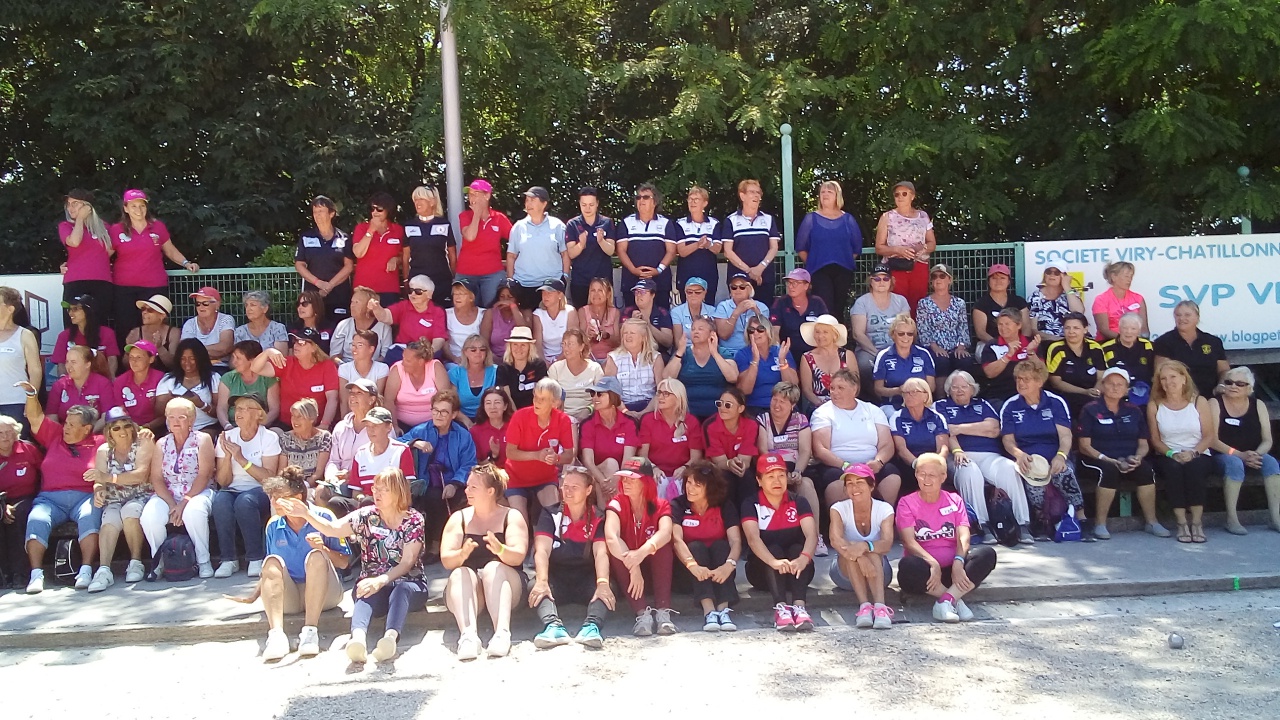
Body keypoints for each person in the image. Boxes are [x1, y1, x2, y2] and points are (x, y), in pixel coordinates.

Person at [281, 467, 429, 663]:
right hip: (373, 583)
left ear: (398, 491)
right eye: (375, 488)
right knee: (363, 588)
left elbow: (408, 562)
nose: (376, 493)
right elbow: (332, 529)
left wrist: (381, 580)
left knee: (401, 588)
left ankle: (390, 639)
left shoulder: (414, 520)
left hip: (410, 582)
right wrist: (307, 514)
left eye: (383, 489)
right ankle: (357, 639)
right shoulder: (366, 515)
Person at [228, 468, 351, 662]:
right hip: (291, 595)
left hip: (325, 593)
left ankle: (311, 632)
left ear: (298, 497)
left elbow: (344, 562)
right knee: (270, 560)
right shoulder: (273, 525)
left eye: (281, 497)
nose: (275, 503)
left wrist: (324, 549)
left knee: (316, 556)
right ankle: (276, 636)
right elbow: (271, 568)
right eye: (272, 498)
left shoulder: (324, 517)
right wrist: (254, 595)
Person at [16, 382, 103, 594]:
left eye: (72, 425)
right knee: (36, 519)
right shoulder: (55, 435)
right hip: (50, 499)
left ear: (87, 429)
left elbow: (126, 440)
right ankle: (36, 575)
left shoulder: (100, 442)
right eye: (66, 423)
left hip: (85, 497)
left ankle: (85, 570)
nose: (66, 427)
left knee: (90, 516)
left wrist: (145, 433)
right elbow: (36, 418)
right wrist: (31, 395)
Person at [895, 453, 996, 623]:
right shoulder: (906, 503)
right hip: (927, 572)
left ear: (943, 477)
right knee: (908, 566)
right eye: (921, 474)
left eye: (932, 475)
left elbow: (964, 535)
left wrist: (958, 561)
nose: (926, 479)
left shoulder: (954, 500)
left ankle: (946, 601)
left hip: (954, 572)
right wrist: (932, 562)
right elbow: (908, 541)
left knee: (987, 554)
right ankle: (954, 599)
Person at [441, 463, 528, 659]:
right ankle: (468, 636)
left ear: (490, 491)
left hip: (506, 585)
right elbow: (447, 560)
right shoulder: (459, 518)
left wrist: (500, 549)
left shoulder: (511, 516)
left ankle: (502, 633)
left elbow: (518, 556)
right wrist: (461, 555)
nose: (467, 490)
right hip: (471, 591)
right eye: (467, 486)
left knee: (493, 568)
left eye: (473, 487)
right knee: (460, 572)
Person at [935, 371, 1033, 544]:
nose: (959, 391)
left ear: (972, 389)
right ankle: (981, 524)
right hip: (959, 455)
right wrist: (958, 449)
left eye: (964, 387)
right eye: (955, 387)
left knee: (1010, 469)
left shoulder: (983, 404)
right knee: (969, 472)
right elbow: (945, 432)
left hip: (990, 455)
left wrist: (959, 428)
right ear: (948, 390)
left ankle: (1022, 523)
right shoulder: (940, 406)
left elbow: (994, 429)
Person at [1076, 368, 1169, 540]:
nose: (1115, 387)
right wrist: (1107, 459)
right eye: (1110, 383)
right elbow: (1084, 446)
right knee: (1108, 471)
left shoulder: (1134, 410)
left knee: (1146, 470)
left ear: (1127, 389)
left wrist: (1138, 458)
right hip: (1094, 459)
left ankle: (1152, 522)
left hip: (1128, 458)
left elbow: (1143, 444)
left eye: (1120, 385)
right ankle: (1100, 524)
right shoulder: (1090, 409)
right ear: (1102, 386)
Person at [999, 357, 1087, 535]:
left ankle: (1081, 517)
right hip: (1028, 457)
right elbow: (1008, 440)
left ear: (1039, 381)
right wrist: (1019, 455)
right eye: (1018, 379)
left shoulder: (1056, 402)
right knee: (1033, 476)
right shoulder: (1010, 406)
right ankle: (1041, 519)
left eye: (1026, 379)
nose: (1020, 383)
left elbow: (1065, 435)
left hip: (1055, 454)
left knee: (1064, 472)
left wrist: (1061, 455)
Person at [529, 467, 615, 647]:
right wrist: (542, 580)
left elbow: (601, 553)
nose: (567, 491)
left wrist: (602, 583)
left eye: (574, 487)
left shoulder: (599, 517)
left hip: (586, 578)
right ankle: (553, 627)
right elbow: (542, 550)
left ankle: (592, 627)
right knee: (535, 584)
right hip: (557, 578)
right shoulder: (550, 514)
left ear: (588, 490)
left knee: (607, 586)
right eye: (565, 486)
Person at [140, 398, 216, 579]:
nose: (175, 421)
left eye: (181, 417)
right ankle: (160, 561)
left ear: (191, 419)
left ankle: (203, 560)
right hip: (169, 494)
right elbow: (157, 478)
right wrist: (172, 504)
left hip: (198, 491)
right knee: (149, 517)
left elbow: (204, 475)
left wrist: (183, 503)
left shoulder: (202, 439)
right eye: (171, 417)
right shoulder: (161, 443)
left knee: (194, 512)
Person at [741, 452, 817, 631]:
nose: (777, 481)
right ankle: (781, 608)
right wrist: (773, 562)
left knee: (797, 548)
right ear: (759, 480)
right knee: (773, 549)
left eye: (781, 475)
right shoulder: (750, 504)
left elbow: (811, 535)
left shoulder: (799, 501)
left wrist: (804, 558)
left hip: (797, 570)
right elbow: (753, 540)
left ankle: (799, 608)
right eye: (770, 476)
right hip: (763, 572)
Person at [109, 189, 199, 338]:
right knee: (126, 328)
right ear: (125, 208)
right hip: (124, 288)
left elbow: (170, 250)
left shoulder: (158, 227)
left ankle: (157, 359)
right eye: (133, 206)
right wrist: (75, 265)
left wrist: (186, 263)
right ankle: (126, 361)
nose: (138, 210)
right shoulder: (116, 230)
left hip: (154, 286)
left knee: (155, 327)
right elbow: (103, 255)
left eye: (142, 205)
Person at [82, 407, 155, 592]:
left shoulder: (143, 443)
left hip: (142, 494)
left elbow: (140, 475)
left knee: (130, 512)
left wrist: (108, 478)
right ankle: (104, 569)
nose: (123, 432)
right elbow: (99, 481)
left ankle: (136, 562)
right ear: (109, 432)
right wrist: (99, 490)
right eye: (116, 428)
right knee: (109, 520)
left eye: (126, 426)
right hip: (114, 498)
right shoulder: (104, 450)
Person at [399, 390, 477, 558]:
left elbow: (469, 463)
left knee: (448, 498)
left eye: (444, 412)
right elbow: (397, 442)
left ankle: (442, 545)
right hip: (426, 482)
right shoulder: (422, 430)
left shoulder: (463, 435)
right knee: (432, 497)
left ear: (454, 414)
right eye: (435, 410)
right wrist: (415, 443)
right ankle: (431, 546)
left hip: (453, 482)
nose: (438, 415)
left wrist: (455, 483)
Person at [604, 457, 676, 636]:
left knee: (663, 547)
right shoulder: (616, 503)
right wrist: (633, 563)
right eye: (624, 478)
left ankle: (663, 613)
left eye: (631, 478)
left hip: (654, 572)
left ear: (645, 482)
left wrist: (641, 553)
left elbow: (666, 533)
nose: (625, 482)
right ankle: (642, 615)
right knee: (616, 552)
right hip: (628, 575)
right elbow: (612, 537)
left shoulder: (661, 504)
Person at [810, 369, 902, 509]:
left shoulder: (873, 410)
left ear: (854, 389)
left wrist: (878, 462)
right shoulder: (822, 413)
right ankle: (842, 523)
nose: (834, 392)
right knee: (836, 482)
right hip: (838, 466)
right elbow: (820, 449)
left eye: (840, 388)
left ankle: (882, 518)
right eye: (832, 388)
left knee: (892, 475)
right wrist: (846, 465)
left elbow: (887, 444)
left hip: (871, 464)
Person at [213, 394, 282, 577]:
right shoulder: (227, 436)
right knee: (220, 501)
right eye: (237, 409)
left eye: (245, 408)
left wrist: (241, 459)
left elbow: (269, 478)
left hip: (259, 490)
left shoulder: (269, 437)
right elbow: (223, 481)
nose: (239, 413)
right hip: (232, 488)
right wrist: (228, 458)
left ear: (259, 414)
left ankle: (255, 558)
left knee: (245, 502)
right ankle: (228, 559)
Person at [670, 461, 742, 632]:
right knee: (696, 547)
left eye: (697, 484)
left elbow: (736, 541)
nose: (690, 488)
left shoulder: (724, 505)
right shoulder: (678, 505)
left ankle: (723, 610)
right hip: (689, 571)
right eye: (688, 482)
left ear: (710, 487)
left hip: (718, 569)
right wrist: (692, 565)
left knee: (721, 547)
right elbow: (677, 540)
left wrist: (729, 565)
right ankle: (709, 610)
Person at [1148, 360, 1215, 544]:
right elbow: (1155, 440)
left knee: (1195, 469)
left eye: (1173, 377)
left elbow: (1209, 435)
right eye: (1163, 379)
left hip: (1198, 452)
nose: (1168, 382)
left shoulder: (1199, 401)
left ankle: (1197, 523)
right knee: (1173, 470)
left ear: (1184, 379)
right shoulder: (1155, 404)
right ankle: (1181, 523)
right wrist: (1172, 454)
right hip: (1168, 453)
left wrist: (1193, 453)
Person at [1211, 367, 1280, 534]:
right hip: (1222, 454)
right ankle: (1232, 519)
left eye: (1240, 383)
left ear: (1249, 388)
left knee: (1271, 463)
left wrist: (1256, 454)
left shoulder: (1259, 405)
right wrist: (1240, 455)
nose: (1233, 386)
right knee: (1234, 464)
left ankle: (1275, 518)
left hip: (1252, 453)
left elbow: (1267, 439)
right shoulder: (1214, 402)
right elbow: (1212, 439)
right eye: (1229, 382)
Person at [828, 463, 895, 629]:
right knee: (851, 551)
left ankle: (880, 608)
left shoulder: (884, 508)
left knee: (871, 550)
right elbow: (835, 540)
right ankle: (864, 607)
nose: (854, 487)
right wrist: (859, 556)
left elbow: (886, 544)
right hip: (844, 575)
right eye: (849, 484)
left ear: (871, 486)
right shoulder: (838, 508)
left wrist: (864, 546)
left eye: (859, 482)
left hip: (878, 572)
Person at [503, 378, 574, 532]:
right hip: (516, 478)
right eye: (535, 396)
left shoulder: (563, 420)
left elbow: (569, 455)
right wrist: (537, 455)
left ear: (555, 403)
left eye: (542, 399)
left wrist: (556, 458)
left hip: (546, 479)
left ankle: (553, 551)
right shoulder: (520, 416)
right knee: (519, 524)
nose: (536, 401)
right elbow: (510, 452)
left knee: (554, 517)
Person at [755, 382, 822, 522]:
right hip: (771, 467)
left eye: (783, 402)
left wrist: (797, 472)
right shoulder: (762, 419)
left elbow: (805, 450)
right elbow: (763, 450)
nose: (777, 405)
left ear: (792, 405)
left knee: (806, 484)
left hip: (795, 467)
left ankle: (815, 535)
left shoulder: (800, 420)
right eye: (775, 400)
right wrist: (782, 475)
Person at [796, 180, 861, 319]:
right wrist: (814, 262)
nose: (825, 194)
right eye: (822, 192)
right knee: (826, 308)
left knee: (839, 308)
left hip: (843, 271)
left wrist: (842, 259)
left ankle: (840, 339)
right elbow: (801, 247)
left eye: (829, 192)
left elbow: (856, 248)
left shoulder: (848, 219)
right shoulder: (810, 218)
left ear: (837, 196)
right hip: (819, 271)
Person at [253, 328, 341, 430]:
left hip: (315, 426)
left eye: (301, 342)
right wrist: (267, 352)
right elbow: (255, 369)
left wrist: (324, 424)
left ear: (314, 348)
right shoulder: (287, 363)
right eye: (295, 341)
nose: (296, 345)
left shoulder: (327, 366)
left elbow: (332, 399)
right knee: (275, 433)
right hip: (287, 424)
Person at [874, 180, 935, 312]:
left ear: (912, 196)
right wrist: (897, 250)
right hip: (896, 265)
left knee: (918, 303)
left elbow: (932, 243)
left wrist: (923, 248)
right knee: (897, 303)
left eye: (904, 193)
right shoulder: (887, 217)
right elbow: (879, 247)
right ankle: (899, 332)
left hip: (919, 265)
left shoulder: (923, 216)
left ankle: (915, 332)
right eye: (897, 194)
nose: (900, 197)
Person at [618, 182, 681, 309]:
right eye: (638, 197)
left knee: (660, 322)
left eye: (646, 197)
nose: (641, 200)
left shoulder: (666, 223)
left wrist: (658, 270)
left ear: (655, 201)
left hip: (660, 282)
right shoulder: (626, 223)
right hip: (632, 281)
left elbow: (671, 251)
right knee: (633, 322)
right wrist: (633, 270)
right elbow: (621, 250)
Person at [720, 179, 782, 305]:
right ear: (742, 196)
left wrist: (760, 268)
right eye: (752, 192)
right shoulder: (730, 220)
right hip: (739, 278)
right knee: (739, 315)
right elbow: (728, 251)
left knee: (763, 314)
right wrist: (749, 271)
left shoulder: (768, 219)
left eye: (758, 193)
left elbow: (774, 247)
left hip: (765, 276)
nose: (756, 195)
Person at [294, 195, 354, 326]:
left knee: (339, 329)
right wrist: (318, 283)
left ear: (331, 213)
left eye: (321, 211)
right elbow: (299, 265)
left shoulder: (344, 238)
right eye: (315, 212)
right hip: (313, 296)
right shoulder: (306, 237)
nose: (317, 215)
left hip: (339, 296)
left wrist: (329, 286)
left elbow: (348, 266)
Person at [507, 186, 569, 310]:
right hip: (524, 285)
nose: (528, 203)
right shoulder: (518, 227)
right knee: (527, 323)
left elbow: (565, 254)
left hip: (551, 285)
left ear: (544, 203)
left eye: (532, 200)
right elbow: (511, 256)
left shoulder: (557, 226)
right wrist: (510, 280)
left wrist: (565, 277)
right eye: (527, 200)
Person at [59, 189, 114, 327]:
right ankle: (74, 349)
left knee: (99, 324)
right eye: (69, 204)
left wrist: (95, 261)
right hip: (75, 280)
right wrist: (80, 219)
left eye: (75, 203)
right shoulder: (65, 226)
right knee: (73, 325)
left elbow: (111, 250)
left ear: (87, 206)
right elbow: (75, 242)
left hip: (102, 281)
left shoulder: (105, 227)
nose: (70, 207)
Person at [578, 376, 637, 503]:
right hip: (594, 476)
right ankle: (616, 513)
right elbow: (588, 462)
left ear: (613, 396)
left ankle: (606, 517)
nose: (594, 398)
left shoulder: (629, 423)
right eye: (593, 393)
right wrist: (605, 483)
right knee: (611, 464)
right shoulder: (588, 424)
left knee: (612, 467)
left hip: (621, 476)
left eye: (600, 394)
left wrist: (614, 481)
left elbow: (627, 461)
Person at [1153, 300, 1229, 399]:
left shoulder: (1213, 341)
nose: (1182, 318)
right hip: (1180, 397)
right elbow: (1162, 372)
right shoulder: (1163, 342)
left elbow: (1224, 370)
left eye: (1187, 315)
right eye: (1178, 315)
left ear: (1197, 318)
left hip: (1212, 396)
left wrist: (1221, 386)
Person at [851, 264, 912, 384]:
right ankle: (875, 399)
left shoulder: (901, 301)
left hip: (898, 348)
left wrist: (896, 352)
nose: (881, 282)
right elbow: (858, 334)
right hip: (870, 350)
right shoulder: (861, 302)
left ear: (891, 281)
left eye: (885, 278)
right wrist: (879, 354)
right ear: (871, 281)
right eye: (877, 279)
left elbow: (907, 329)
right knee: (864, 365)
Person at [319, 379, 380, 499]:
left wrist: (352, 476)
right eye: (351, 393)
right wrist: (332, 476)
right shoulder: (341, 426)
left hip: (367, 484)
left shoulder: (381, 427)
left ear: (371, 399)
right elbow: (333, 461)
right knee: (321, 491)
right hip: (340, 482)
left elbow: (382, 463)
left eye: (359, 393)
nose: (352, 396)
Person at [670, 316, 740, 420]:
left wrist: (714, 353)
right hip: (687, 411)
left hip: (718, 411)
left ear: (712, 334)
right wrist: (679, 352)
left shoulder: (722, 353)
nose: (695, 332)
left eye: (700, 329)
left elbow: (733, 377)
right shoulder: (683, 353)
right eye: (693, 329)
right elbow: (667, 378)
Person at [889, 377, 950, 497]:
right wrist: (918, 465)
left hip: (934, 462)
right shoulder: (897, 418)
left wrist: (935, 464)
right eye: (906, 392)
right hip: (909, 464)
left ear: (925, 395)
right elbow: (901, 449)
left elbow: (943, 448)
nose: (909, 395)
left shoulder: (937, 417)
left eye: (914, 392)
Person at [457, 179, 513, 307]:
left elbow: (517, 241)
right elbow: (470, 236)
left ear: (487, 196)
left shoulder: (499, 218)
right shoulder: (464, 216)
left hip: (492, 274)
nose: (472, 198)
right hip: (466, 272)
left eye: (476, 193)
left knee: (492, 309)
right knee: (465, 309)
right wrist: (477, 215)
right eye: (470, 194)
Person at [914, 264, 972, 386]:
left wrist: (961, 347)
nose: (938, 279)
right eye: (934, 277)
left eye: (942, 276)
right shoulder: (924, 303)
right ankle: (941, 398)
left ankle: (963, 397)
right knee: (941, 361)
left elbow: (963, 327)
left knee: (964, 360)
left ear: (949, 280)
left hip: (955, 347)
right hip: (933, 347)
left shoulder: (959, 303)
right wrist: (935, 347)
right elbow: (923, 329)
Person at [705, 387, 761, 509]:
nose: (722, 408)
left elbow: (745, 460)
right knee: (725, 478)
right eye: (720, 404)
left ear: (740, 408)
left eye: (728, 405)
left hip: (742, 466)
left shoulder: (751, 424)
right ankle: (729, 520)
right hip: (718, 469)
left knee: (745, 476)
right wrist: (729, 463)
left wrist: (738, 465)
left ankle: (750, 516)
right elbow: (718, 462)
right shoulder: (710, 425)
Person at [0, 415, 40, 586]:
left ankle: (20, 573)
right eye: (0, 433)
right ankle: (4, 573)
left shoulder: (28, 450)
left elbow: (44, 473)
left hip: (27, 496)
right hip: (1, 499)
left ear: (16, 433)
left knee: (17, 517)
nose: (5, 437)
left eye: (9, 432)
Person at [370, 275, 448, 363]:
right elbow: (385, 316)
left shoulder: (437, 311)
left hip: (426, 350)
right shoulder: (403, 306)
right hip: (403, 349)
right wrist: (376, 308)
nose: (412, 294)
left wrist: (430, 352)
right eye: (410, 291)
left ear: (429, 294)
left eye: (418, 291)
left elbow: (439, 339)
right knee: (392, 355)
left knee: (435, 359)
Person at [638, 378, 704, 481]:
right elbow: (642, 455)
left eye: (666, 393)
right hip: (656, 473)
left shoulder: (691, 421)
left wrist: (685, 468)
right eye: (659, 393)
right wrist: (653, 468)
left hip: (683, 474)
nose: (660, 397)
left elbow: (696, 457)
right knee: (660, 482)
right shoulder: (648, 420)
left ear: (678, 397)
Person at [402, 186, 457, 307]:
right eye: (415, 199)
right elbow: (405, 256)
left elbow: (452, 255)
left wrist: (454, 279)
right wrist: (406, 280)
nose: (417, 203)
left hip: (442, 281)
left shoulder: (444, 224)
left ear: (432, 202)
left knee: (442, 314)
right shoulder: (409, 225)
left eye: (421, 199)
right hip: (417, 282)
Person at [1045, 312, 1105, 420]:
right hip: (1066, 396)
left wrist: (1095, 391)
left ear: (1085, 329)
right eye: (1067, 328)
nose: (1071, 332)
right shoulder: (1056, 348)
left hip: (1092, 396)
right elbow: (1055, 382)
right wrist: (1085, 392)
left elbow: (1101, 377)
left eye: (1076, 328)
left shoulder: (1095, 348)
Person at [564, 187, 617, 308]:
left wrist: (601, 241)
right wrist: (581, 245)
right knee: (582, 317)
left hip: (603, 280)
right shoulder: (573, 224)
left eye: (591, 204)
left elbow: (611, 250)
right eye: (584, 204)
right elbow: (571, 253)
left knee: (605, 316)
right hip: (580, 280)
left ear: (597, 204)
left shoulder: (607, 222)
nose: (587, 208)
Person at [351, 192, 406, 308]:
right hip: (364, 288)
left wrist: (397, 259)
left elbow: (405, 255)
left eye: (379, 209)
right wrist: (371, 231)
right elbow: (358, 252)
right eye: (372, 208)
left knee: (388, 323)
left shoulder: (398, 230)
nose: (375, 212)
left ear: (388, 210)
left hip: (389, 287)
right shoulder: (361, 228)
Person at [0, 287, 42, 434]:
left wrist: (32, 401)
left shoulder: (24, 334)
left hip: (16, 403)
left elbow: (35, 371)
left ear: (10, 309)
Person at [736, 314, 797, 415]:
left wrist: (782, 362)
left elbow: (793, 385)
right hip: (755, 407)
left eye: (760, 329)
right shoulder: (742, 354)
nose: (755, 333)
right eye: (751, 330)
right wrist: (755, 361)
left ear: (768, 331)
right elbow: (745, 390)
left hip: (782, 406)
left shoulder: (781, 351)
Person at [604, 318, 666, 417]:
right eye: (625, 333)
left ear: (643, 337)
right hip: (622, 406)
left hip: (649, 405)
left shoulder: (655, 357)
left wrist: (644, 413)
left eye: (632, 333)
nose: (628, 336)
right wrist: (625, 411)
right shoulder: (613, 358)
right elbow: (610, 391)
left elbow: (661, 390)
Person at [980, 307, 1041, 405]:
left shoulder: (1031, 343)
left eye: (1007, 324)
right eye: (1000, 324)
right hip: (1000, 396)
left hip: (1029, 395)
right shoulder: (992, 345)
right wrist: (1008, 355)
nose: (1003, 328)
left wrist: (1030, 352)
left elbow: (1041, 373)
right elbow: (989, 373)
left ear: (1019, 325)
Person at [873, 314, 936, 408]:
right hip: (892, 405)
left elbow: (932, 386)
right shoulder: (884, 355)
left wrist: (915, 393)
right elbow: (878, 389)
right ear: (893, 335)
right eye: (901, 334)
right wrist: (898, 391)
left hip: (921, 405)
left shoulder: (924, 354)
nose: (906, 337)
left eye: (910, 334)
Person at [216, 340, 281, 431]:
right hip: (233, 427)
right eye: (233, 357)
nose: (234, 362)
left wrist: (258, 427)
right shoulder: (228, 378)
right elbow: (222, 408)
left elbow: (274, 410)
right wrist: (227, 426)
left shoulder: (268, 378)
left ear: (252, 360)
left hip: (261, 428)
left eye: (238, 358)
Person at [46, 346, 117, 428]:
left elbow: (106, 416)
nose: (69, 366)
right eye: (67, 362)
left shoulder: (103, 383)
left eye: (73, 362)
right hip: (65, 435)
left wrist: (87, 433)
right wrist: (66, 434)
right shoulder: (59, 385)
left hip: (94, 435)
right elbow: (51, 416)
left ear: (87, 364)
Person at [770, 268, 827, 365]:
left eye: (795, 283)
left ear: (806, 285)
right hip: (789, 353)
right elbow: (774, 332)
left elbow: (827, 329)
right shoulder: (780, 303)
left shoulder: (817, 303)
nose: (791, 286)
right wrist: (781, 354)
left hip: (814, 353)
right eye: (789, 283)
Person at [52, 294, 119, 376]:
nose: (70, 313)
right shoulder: (64, 336)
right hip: (74, 384)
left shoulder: (107, 333)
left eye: (75, 309)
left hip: (100, 384)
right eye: (69, 309)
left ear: (88, 310)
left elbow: (112, 359)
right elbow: (61, 364)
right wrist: (64, 383)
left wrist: (109, 380)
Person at [675, 186, 722, 303]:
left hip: (709, 275)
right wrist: (697, 244)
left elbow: (717, 249)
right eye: (690, 199)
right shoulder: (680, 223)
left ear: (705, 203)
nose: (692, 202)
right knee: (686, 312)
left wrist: (707, 245)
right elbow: (682, 251)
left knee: (708, 313)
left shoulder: (714, 223)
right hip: (686, 275)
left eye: (696, 199)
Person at [547, 329, 603, 423]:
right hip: (561, 417)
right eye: (564, 344)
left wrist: (589, 409)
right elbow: (551, 398)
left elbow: (602, 397)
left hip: (589, 416)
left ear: (581, 346)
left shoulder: (595, 368)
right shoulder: (555, 368)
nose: (566, 348)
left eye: (570, 344)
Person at [712, 272, 769, 360]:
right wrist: (736, 313)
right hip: (730, 352)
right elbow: (724, 335)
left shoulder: (762, 307)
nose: (738, 290)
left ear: (750, 289)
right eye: (734, 287)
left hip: (755, 351)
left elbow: (767, 332)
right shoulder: (723, 306)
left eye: (742, 287)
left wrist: (757, 311)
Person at [1101, 312, 1156, 405]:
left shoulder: (1149, 346)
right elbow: (1102, 375)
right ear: (1119, 329)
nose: (1128, 332)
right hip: (1116, 395)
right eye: (1125, 328)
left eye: (1133, 328)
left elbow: (1155, 372)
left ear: (1139, 331)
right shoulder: (1106, 348)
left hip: (1144, 395)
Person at [972, 263, 1030, 347]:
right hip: (990, 344)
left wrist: (1021, 344)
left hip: (1018, 344)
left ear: (1009, 281)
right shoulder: (981, 304)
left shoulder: (1019, 302)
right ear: (988, 281)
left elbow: (1026, 328)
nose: (998, 281)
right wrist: (1002, 345)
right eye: (994, 278)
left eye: (1002, 278)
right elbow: (981, 333)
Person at [798, 313, 850, 408]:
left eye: (825, 332)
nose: (820, 336)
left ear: (834, 335)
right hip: (818, 406)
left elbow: (855, 386)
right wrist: (821, 405)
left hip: (845, 404)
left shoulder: (847, 355)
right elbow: (807, 390)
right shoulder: (807, 358)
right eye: (817, 332)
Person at [330, 286, 392, 363]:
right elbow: (334, 355)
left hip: (374, 370)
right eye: (352, 302)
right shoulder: (343, 325)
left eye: (357, 302)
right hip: (345, 369)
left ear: (369, 307)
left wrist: (368, 368)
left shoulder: (384, 327)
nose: (352, 305)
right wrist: (346, 368)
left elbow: (385, 356)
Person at [279, 398, 333, 487]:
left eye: (299, 416)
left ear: (311, 419)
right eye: (293, 416)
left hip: (312, 487)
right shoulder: (285, 438)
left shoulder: (324, 437)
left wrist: (305, 486)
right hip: (289, 486)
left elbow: (319, 472)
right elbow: (282, 471)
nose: (295, 420)